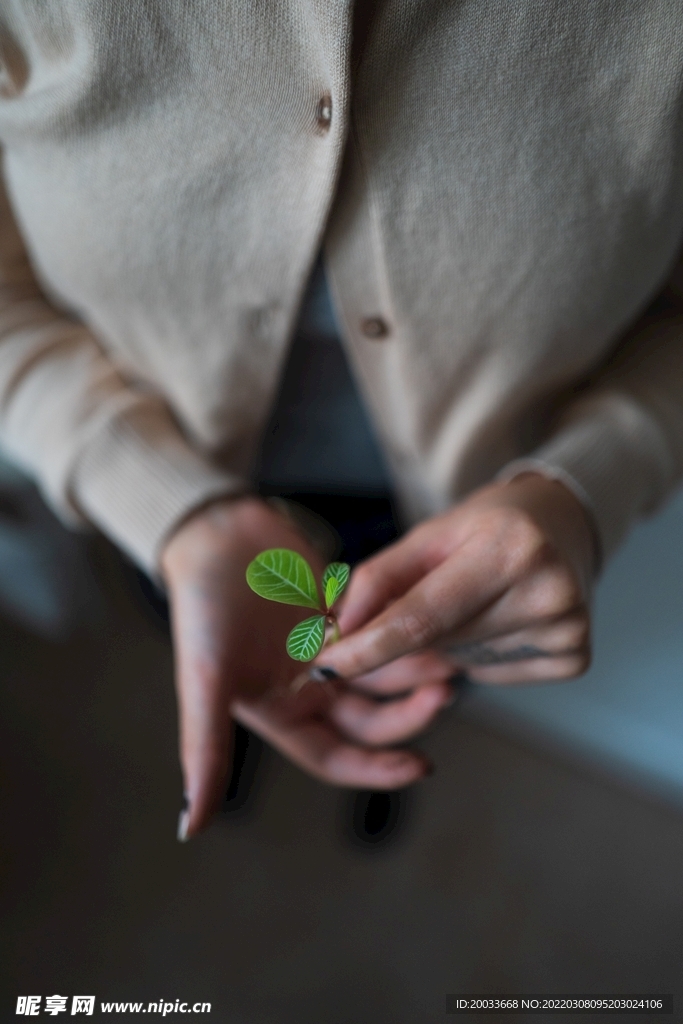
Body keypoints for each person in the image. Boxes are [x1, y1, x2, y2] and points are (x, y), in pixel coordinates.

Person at [0, 2, 681, 842]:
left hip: (474, 531)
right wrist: (158, 501)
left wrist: (584, 484)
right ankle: (242, 762)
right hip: (167, 503)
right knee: (227, 683)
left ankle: (379, 790)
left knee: (406, 694)